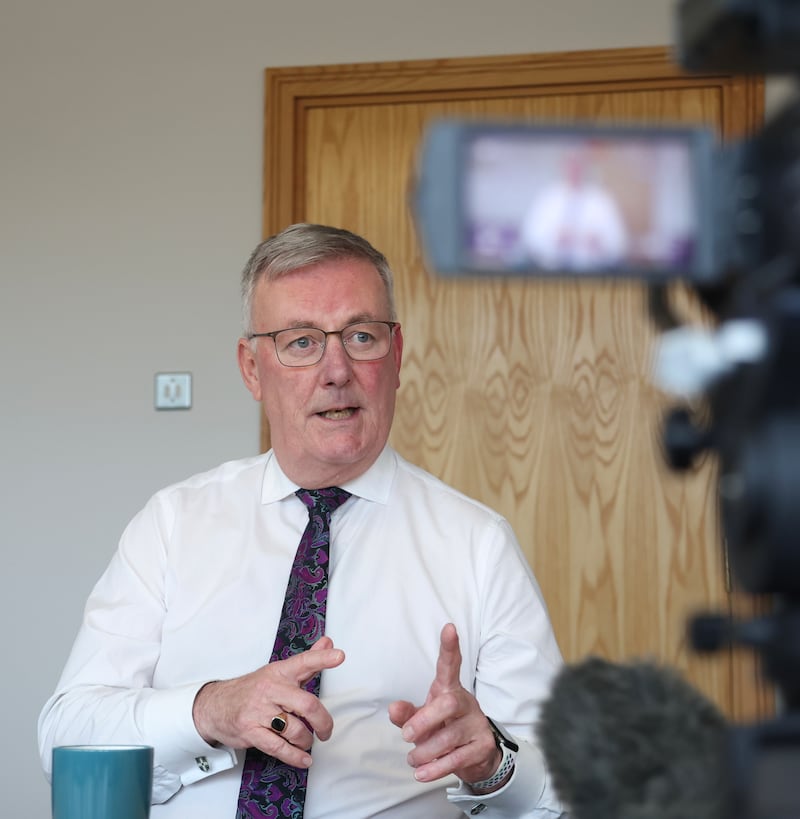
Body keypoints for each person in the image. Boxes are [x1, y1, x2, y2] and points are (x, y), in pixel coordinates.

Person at [38, 223, 565, 818]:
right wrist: (208, 711)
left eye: (361, 336)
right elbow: (64, 739)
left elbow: (558, 792)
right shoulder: (173, 524)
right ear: (252, 369)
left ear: (396, 355)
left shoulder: (478, 545)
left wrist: (492, 763)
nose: (336, 369)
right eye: (301, 342)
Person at [521, 147, 629, 271]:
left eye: (578, 165)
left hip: (591, 272)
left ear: (586, 168)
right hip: (553, 270)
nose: (574, 170)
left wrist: (600, 241)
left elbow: (619, 242)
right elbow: (530, 237)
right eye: (571, 165)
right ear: (562, 167)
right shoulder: (547, 197)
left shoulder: (601, 199)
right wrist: (554, 238)